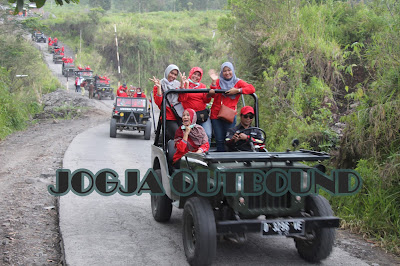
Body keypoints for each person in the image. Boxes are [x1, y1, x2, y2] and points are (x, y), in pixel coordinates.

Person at [208, 62, 255, 151]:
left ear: (232, 70)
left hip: (229, 115)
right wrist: (213, 82)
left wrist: (237, 90)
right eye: (224, 71)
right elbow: (213, 95)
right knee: (219, 139)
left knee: (230, 139)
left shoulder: (237, 82)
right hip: (216, 114)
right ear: (222, 72)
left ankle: (230, 159)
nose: (227, 73)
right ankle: (220, 160)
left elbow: (251, 88)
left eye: (229, 70)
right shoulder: (218, 81)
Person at [150, 64, 184, 142]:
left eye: (175, 75)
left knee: (186, 133)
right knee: (177, 134)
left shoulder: (178, 84)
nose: (173, 76)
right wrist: (159, 88)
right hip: (168, 115)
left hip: (179, 113)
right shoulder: (159, 83)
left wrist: (182, 86)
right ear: (167, 72)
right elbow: (159, 103)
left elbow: (183, 99)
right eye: (171, 73)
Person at [179, 67, 212, 141]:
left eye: (198, 75)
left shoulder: (202, 86)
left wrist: (209, 95)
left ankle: (205, 151)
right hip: (190, 115)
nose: (196, 77)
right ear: (191, 74)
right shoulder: (184, 84)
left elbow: (206, 100)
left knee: (208, 134)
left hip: (201, 114)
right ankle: (192, 151)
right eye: (194, 74)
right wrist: (186, 86)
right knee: (191, 136)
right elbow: (182, 99)